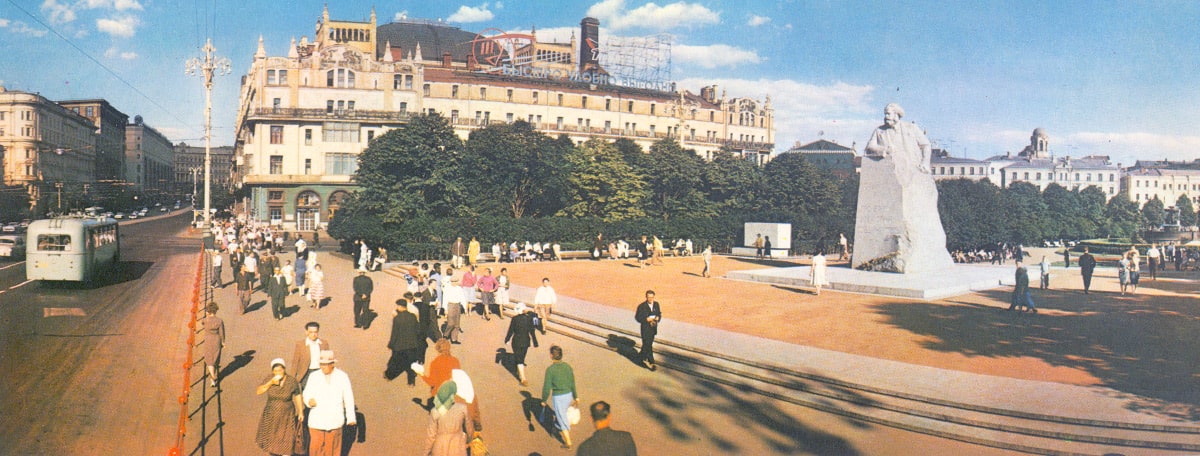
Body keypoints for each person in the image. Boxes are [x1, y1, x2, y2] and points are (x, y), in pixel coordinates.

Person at [302, 351, 356, 456]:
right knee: (315, 449)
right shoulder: (314, 376)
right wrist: (309, 401)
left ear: (332, 364)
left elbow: (349, 397)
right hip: (317, 420)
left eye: (326, 364)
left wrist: (351, 418)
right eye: (321, 364)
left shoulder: (342, 376)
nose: (323, 367)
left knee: (332, 450)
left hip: (334, 420)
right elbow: (306, 393)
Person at [255, 358, 306, 456]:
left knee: (286, 438)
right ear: (272, 371)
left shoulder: (291, 381)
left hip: (287, 415)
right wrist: (270, 383)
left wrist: (300, 412)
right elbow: (259, 391)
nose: (278, 372)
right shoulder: (269, 378)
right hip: (271, 414)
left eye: (280, 370)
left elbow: (298, 395)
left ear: (284, 369)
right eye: (276, 371)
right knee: (271, 439)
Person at [541, 345, 579, 449]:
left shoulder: (550, 370)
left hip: (558, 397)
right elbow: (572, 382)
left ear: (551, 356)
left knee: (562, 417)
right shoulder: (567, 366)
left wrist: (544, 400)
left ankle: (568, 442)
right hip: (569, 395)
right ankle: (555, 428)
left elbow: (547, 387)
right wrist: (576, 396)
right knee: (561, 413)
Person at [424, 378, 475, 456]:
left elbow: (431, 435)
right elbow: (470, 429)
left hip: (439, 448)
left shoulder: (435, 411)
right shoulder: (462, 408)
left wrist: (426, 452)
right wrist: (468, 440)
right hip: (458, 446)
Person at [386, 294, 424, 385]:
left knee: (394, 361)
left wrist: (391, 344)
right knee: (411, 364)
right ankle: (411, 381)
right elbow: (418, 330)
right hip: (412, 345)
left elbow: (394, 333)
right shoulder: (413, 317)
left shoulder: (397, 318)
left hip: (400, 345)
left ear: (400, 307)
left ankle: (390, 376)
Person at [419, 339, 462, 409]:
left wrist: (421, 374)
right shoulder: (455, 361)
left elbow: (431, 382)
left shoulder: (435, 362)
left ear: (438, 349)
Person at [505, 303, 540, 386]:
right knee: (521, 358)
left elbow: (511, 330)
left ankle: (523, 378)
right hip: (526, 341)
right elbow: (532, 331)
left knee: (519, 359)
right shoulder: (529, 319)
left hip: (516, 341)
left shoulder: (514, 319)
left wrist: (507, 339)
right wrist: (535, 342)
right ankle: (521, 372)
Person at [293, 322, 330, 389]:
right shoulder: (300, 344)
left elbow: (328, 359)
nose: (313, 334)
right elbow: (295, 362)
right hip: (306, 373)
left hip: (320, 372)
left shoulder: (324, 343)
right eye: (311, 332)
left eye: (315, 332)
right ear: (306, 332)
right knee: (307, 395)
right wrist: (292, 379)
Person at [634, 290, 662, 370]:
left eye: (652, 297)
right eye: (649, 297)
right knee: (648, 344)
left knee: (647, 344)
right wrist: (646, 319)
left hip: (653, 328)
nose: (650, 299)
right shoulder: (642, 306)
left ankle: (640, 357)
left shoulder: (656, 304)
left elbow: (659, 313)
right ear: (646, 297)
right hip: (645, 329)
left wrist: (658, 318)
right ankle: (652, 363)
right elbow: (637, 317)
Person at [200, 303, 225, 387]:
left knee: (209, 359)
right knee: (215, 358)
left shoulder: (205, 320)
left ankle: (213, 377)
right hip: (216, 340)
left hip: (208, 340)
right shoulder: (219, 321)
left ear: (208, 311)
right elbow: (222, 333)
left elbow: (202, 323)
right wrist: (223, 342)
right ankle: (212, 379)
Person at [442, 277, 466, 344]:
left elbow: (462, 298)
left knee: (457, 324)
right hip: (450, 305)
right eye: (453, 282)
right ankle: (445, 335)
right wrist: (445, 309)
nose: (455, 283)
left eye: (456, 281)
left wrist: (465, 307)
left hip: (457, 305)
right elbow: (445, 299)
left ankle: (454, 339)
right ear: (451, 282)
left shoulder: (459, 289)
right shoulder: (447, 289)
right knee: (451, 323)